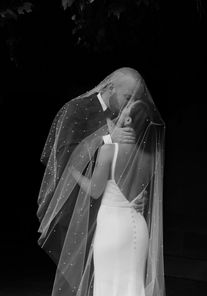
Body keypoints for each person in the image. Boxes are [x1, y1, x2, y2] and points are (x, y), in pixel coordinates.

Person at [37, 67, 166, 296]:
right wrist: (108, 138)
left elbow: (127, 166)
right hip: (77, 210)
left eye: (135, 100)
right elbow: (63, 156)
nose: (131, 105)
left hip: (111, 216)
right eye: (128, 97)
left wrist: (134, 197)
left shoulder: (124, 116)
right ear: (109, 87)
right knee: (79, 284)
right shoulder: (76, 109)